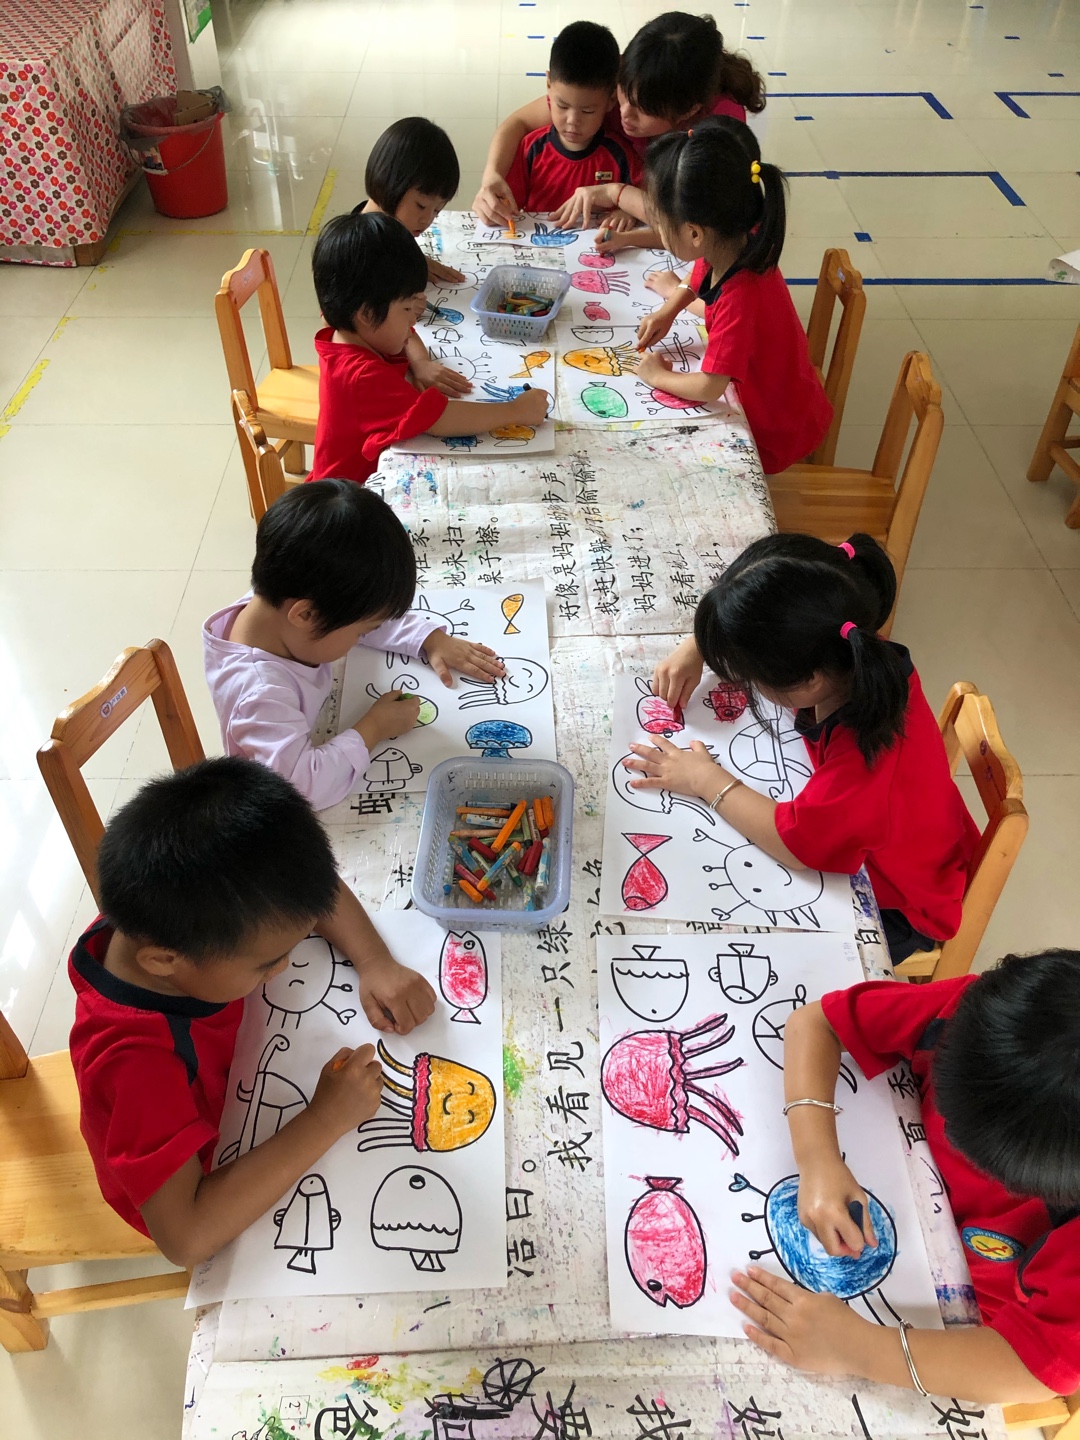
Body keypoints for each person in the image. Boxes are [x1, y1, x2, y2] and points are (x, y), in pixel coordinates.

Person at [68, 757, 437, 1267]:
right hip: (195, 1189)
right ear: (164, 961)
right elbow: (186, 1239)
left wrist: (375, 961)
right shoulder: (138, 1066)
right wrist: (327, 1118)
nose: (284, 968)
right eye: (267, 964)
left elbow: (310, 893)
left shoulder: (176, 912)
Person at [730, 949, 1080, 1403]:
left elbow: (1038, 1370)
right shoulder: (988, 1022)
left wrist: (857, 1349)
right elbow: (816, 1023)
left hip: (961, 1327)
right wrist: (817, 1157)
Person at [634, 533, 980, 965]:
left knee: (782, 959)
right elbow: (793, 586)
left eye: (752, 675)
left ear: (809, 680)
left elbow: (794, 845)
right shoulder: (846, 638)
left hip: (903, 901)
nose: (748, 684)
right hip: (913, 836)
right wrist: (703, 644)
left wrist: (704, 779)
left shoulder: (864, 764)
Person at [204, 480, 506, 812]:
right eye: (362, 633)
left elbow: (358, 611)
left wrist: (428, 638)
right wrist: (373, 727)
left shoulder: (282, 598)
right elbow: (301, 789)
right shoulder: (260, 695)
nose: (364, 636)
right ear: (306, 615)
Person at [630, 117, 831, 474]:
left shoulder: (740, 296)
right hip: (789, 398)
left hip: (774, 430)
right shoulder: (735, 240)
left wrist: (655, 376)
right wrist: (670, 309)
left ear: (694, 233)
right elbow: (701, 270)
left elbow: (710, 385)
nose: (658, 231)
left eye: (660, 224)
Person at [309, 212, 549, 479]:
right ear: (366, 314)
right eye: (407, 308)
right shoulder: (362, 375)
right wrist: (515, 411)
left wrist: (421, 363)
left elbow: (408, 335)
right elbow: (440, 419)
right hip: (348, 495)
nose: (414, 319)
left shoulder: (351, 332)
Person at [474, 11, 765, 227]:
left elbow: (692, 229)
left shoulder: (718, 129)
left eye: (643, 109)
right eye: (623, 93)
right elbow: (517, 123)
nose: (623, 113)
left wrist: (619, 195)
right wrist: (492, 176)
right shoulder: (614, 88)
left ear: (687, 113)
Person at [503, 21, 639, 215]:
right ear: (548, 85)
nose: (572, 120)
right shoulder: (531, 149)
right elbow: (507, 205)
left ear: (611, 100)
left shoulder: (620, 154)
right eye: (562, 106)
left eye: (587, 111)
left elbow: (646, 202)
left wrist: (628, 212)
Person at [353, 116, 466, 285]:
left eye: (437, 211)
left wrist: (409, 260)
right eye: (421, 206)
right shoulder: (357, 256)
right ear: (390, 183)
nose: (427, 220)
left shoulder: (389, 238)